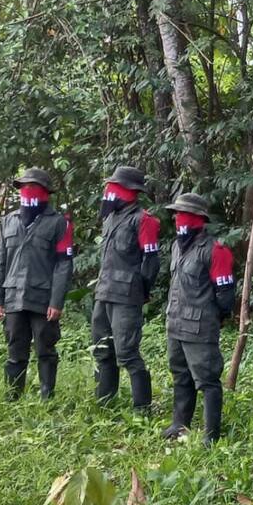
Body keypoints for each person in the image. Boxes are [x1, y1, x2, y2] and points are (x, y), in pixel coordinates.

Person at [0, 167, 74, 400]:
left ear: (46, 192)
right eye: (24, 188)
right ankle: (12, 397)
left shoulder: (59, 224)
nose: (28, 192)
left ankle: (47, 397)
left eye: (33, 188)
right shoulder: (8, 221)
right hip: (13, 297)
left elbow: (63, 265)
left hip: (43, 298)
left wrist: (56, 302)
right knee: (15, 350)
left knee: (46, 349)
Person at [161, 192, 234, 445]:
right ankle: (179, 424)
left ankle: (211, 434)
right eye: (176, 215)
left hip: (200, 326)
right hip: (176, 322)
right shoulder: (176, 246)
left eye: (183, 215)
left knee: (207, 380)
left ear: (197, 219)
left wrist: (216, 318)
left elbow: (225, 294)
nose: (177, 219)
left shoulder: (215, 250)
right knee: (180, 375)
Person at [91, 165, 160, 410]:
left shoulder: (144, 220)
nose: (110, 191)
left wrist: (140, 291)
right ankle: (104, 402)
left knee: (127, 352)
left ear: (130, 191)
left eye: (116, 187)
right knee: (101, 349)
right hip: (104, 292)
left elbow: (150, 262)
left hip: (126, 296)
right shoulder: (110, 218)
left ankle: (142, 408)